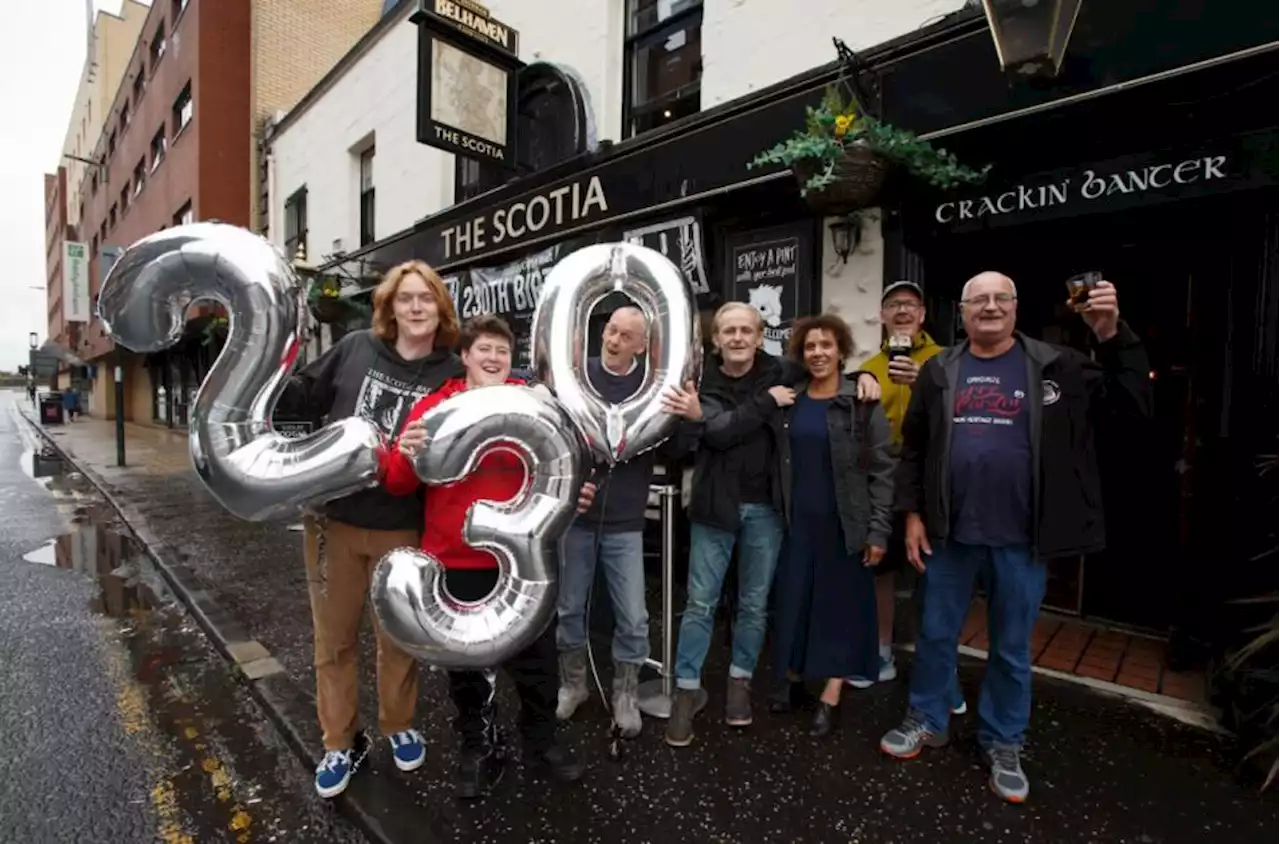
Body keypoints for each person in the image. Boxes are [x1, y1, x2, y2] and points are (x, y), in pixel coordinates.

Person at [879, 272, 1151, 804]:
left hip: (1022, 537)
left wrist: (1112, 333)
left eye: (1001, 297)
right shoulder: (939, 371)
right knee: (935, 634)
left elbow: (1130, 404)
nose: (990, 306)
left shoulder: (1057, 365)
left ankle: (1003, 741)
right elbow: (914, 448)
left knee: (1009, 648)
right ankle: (927, 718)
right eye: (978, 299)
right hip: (949, 535)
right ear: (960, 312)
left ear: (1016, 307)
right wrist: (911, 514)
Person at [384, 315, 596, 799]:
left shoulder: (535, 406)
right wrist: (406, 451)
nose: (494, 358)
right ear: (465, 356)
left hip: (524, 561)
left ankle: (539, 741)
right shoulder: (436, 406)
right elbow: (399, 482)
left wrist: (576, 493)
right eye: (484, 349)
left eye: (502, 350)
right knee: (465, 669)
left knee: (537, 662)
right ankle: (478, 746)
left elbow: (568, 466)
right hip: (456, 558)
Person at [664, 302, 881, 746]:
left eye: (746, 330)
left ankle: (740, 682)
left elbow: (828, 376)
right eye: (729, 331)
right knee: (702, 604)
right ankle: (687, 691)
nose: (738, 337)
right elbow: (718, 431)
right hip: (714, 506)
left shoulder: (784, 372)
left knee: (754, 604)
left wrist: (863, 378)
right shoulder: (701, 379)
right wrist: (763, 403)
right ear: (716, 339)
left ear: (761, 336)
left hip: (767, 508)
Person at [286, 259, 464, 798]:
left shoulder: (450, 372)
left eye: (426, 298)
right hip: (333, 521)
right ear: (388, 307)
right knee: (334, 640)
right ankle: (339, 742)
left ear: (439, 309)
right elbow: (302, 399)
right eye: (405, 298)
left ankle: (398, 725)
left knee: (399, 638)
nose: (415, 307)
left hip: (403, 527)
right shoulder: (356, 347)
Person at [554, 305, 700, 738]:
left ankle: (625, 693)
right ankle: (574, 684)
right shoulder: (577, 375)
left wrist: (692, 419)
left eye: (625, 335)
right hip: (577, 518)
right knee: (569, 609)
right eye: (610, 331)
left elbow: (674, 451)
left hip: (626, 522)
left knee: (634, 616)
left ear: (642, 345)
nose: (613, 340)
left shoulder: (653, 384)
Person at [769, 313, 895, 737]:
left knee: (839, 608)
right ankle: (793, 677)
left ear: (841, 350)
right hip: (795, 522)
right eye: (810, 347)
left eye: (826, 345)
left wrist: (878, 530)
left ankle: (832, 693)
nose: (818, 353)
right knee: (796, 602)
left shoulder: (861, 401)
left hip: (845, 522)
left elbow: (882, 469)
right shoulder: (791, 399)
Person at [852, 281, 944, 687]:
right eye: (894, 305)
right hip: (889, 473)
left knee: (938, 570)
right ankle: (882, 650)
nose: (902, 310)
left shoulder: (947, 361)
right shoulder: (870, 365)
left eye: (910, 304)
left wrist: (925, 381)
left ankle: (938, 666)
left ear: (923, 314)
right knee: (883, 568)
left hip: (935, 474)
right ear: (883, 316)